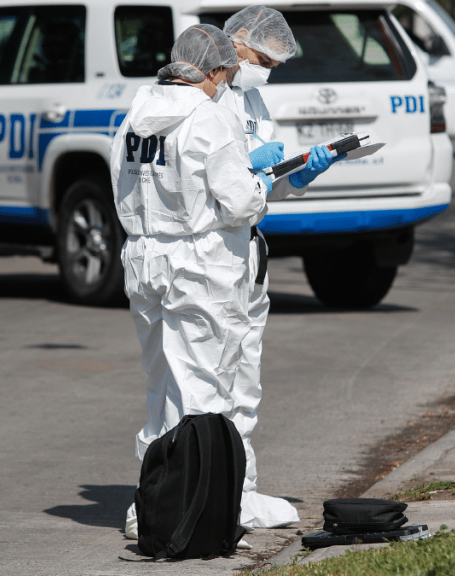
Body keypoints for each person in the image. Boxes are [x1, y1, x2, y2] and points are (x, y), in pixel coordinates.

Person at [109, 24, 284, 542]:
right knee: (205, 389)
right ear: (209, 72)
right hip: (200, 267)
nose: (223, 84)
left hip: (144, 257)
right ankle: (196, 512)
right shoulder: (206, 119)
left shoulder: (134, 117)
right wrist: (262, 183)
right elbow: (240, 203)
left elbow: (122, 186)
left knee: (161, 388)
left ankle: (151, 508)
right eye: (224, 75)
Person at [216, 5, 343, 530]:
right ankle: (188, 485)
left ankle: (238, 487)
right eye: (263, 57)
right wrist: (254, 170)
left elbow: (263, 177)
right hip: (211, 252)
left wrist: (298, 174)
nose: (267, 68)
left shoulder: (253, 99)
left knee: (244, 377)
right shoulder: (205, 98)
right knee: (203, 378)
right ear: (236, 42)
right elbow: (215, 176)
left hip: (248, 249)